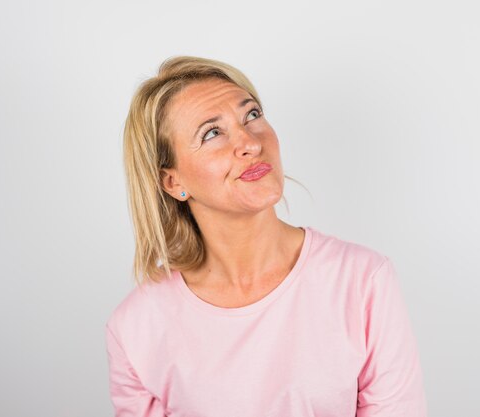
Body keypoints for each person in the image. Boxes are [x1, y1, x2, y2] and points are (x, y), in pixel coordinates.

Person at [105, 55, 427, 417]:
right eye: (212, 133)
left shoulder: (362, 280)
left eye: (252, 115)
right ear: (173, 181)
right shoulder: (136, 327)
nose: (250, 142)